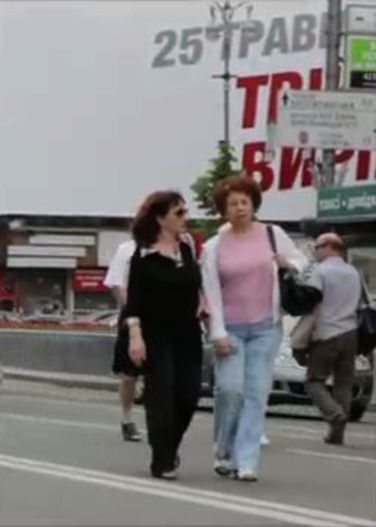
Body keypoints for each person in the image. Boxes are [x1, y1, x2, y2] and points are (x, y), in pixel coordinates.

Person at [201, 175, 307, 482]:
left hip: (266, 327)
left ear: (253, 205)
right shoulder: (214, 247)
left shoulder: (273, 234)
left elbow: (305, 263)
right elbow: (211, 292)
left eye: (244, 202)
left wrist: (290, 264)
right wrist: (218, 333)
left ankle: (245, 460)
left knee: (256, 394)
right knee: (230, 390)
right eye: (232, 203)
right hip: (231, 328)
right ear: (224, 210)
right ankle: (223, 449)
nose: (239, 207)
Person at [123, 190, 203, 480]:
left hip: (188, 334)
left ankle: (170, 447)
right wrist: (136, 336)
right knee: (162, 397)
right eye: (178, 213)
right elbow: (133, 302)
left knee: (188, 395)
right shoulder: (143, 255)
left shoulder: (187, 247)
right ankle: (162, 460)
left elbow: (197, 284)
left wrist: (203, 303)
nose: (185, 217)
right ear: (160, 218)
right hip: (156, 335)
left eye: (185, 211)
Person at [305, 233, 362, 445]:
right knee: (343, 384)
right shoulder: (353, 272)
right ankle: (337, 433)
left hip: (326, 332)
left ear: (330, 247)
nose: (316, 250)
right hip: (350, 332)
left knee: (314, 381)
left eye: (318, 246)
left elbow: (311, 301)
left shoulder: (321, 271)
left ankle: (334, 414)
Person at [104, 238, 143, 442]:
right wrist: (131, 310)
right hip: (131, 316)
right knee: (129, 375)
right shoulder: (126, 250)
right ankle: (127, 420)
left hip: (161, 319)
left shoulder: (170, 247)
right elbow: (116, 285)